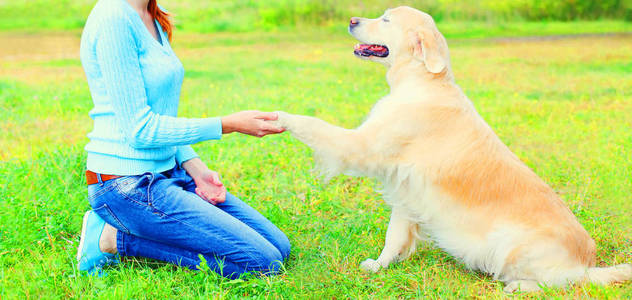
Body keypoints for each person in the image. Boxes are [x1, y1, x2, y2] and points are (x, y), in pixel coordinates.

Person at [76, 0, 290, 279]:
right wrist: (228, 125)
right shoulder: (113, 17)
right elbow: (140, 130)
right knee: (264, 262)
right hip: (127, 185)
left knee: (280, 247)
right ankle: (113, 238)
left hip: (168, 172)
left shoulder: (151, 12)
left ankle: (133, 229)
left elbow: (160, 114)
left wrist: (196, 169)